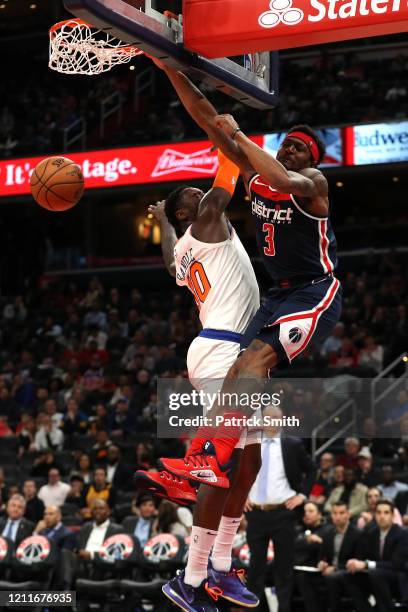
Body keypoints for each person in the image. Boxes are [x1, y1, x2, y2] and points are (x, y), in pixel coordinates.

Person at [148, 58, 341, 611]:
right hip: (243, 324)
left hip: (311, 291)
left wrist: (234, 138)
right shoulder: (213, 211)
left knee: (250, 452)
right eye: (291, 145)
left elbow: (276, 176)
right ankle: (203, 552)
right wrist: (169, 66)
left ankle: (215, 552)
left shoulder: (311, 183)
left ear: (314, 161)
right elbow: (208, 119)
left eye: (303, 148)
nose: (294, 152)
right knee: (243, 408)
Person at [138, 147, 261, 609]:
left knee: (249, 466)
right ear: (192, 211)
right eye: (197, 194)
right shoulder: (207, 221)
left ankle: (222, 568)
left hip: (233, 352)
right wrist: (228, 137)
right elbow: (227, 178)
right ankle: (191, 578)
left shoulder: (188, 247)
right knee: (220, 465)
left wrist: (164, 223)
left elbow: (171, 265)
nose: (206, 193)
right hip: (223, 351)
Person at [244, 406, 315, 612]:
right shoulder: (249, 444)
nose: (272, 421)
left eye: (276, 418)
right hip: (255, 514)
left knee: (283, 568)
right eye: (268, 418)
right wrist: (240, 497)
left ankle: (283, 609)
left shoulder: (292, 445)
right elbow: (236, 472)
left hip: (283, 513)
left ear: (282, 420)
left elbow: (311, 470)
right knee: (255, 568)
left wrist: (301, 496)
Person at [296, 501, 362, 612]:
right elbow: (323, 556)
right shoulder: (328, 533)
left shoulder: (358, 534)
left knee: (332, 578)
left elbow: (358, 560)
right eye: (335, 513)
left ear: (348, 514)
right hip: (329, 571)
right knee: (302, 577)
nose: (338, 517)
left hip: (348, 573)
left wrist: (336, 568)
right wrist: (322, 563)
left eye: (341, 513)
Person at [345, 500, 408, 612]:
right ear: (374, 515)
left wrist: (366, 564)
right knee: (347, 575)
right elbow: (364, 556)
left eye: (386, 512)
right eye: (378, 512)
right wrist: (354, 562)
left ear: (393, 516)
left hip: (397, 577)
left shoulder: (402, 534)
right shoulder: (371, 533)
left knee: (376, 573)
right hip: (376, 575)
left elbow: (397, 564)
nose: (382, 516)